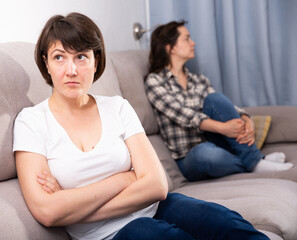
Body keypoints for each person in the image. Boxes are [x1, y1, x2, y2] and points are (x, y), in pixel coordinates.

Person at [13, 13, 270, 240]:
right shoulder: (31, 121)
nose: (71, 70)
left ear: (95, 61)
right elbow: (47, 211)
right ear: (46, 62)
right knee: (153, 233)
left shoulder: (117, 107)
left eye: (81, 56)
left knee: (224, 221)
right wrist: (127, 177)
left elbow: (157, 185)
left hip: (158, 206)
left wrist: (75, 211)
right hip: (108, 234)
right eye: (59, 57)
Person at [145, 20, 293, 181]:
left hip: (217, 144)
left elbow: (221, 107)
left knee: (214, 99)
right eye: (187, 38)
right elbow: (183, 114)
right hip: (189, 157)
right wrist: (222, 128)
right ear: (170, 47)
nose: (193, 43)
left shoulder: (199, 80)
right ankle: (257, 162)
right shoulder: (155, 81)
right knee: (206, 154)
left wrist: (245, 118)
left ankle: (255, 161)